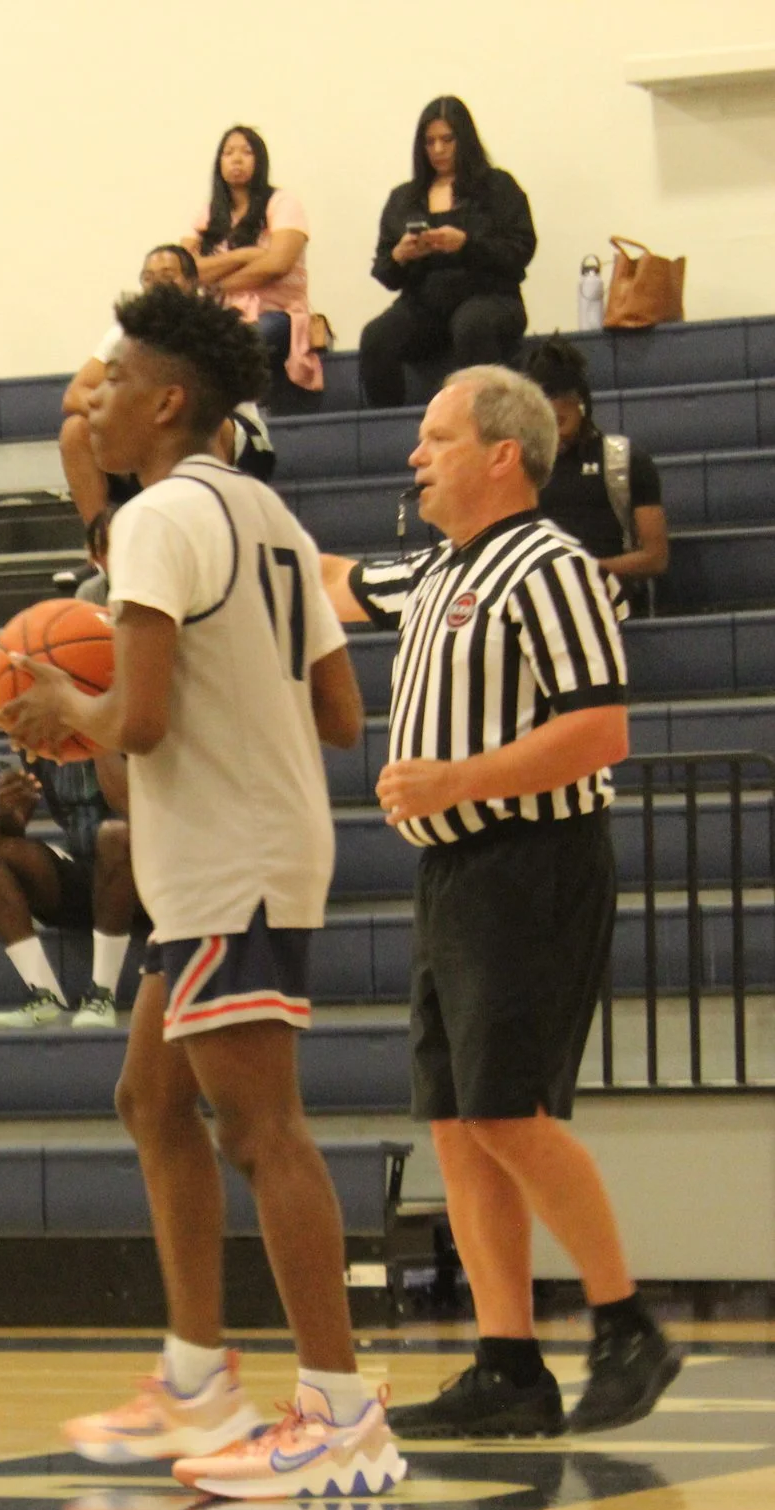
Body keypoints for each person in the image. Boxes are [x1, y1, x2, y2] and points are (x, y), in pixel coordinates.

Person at [0, 283, 399, 1502]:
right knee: (149, 1096)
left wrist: (62, 705)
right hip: (243, 853)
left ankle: (339, 1413)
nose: (94, 397)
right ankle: (195, 1377)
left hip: (228, 861)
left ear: (169, 399)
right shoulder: (271, 513)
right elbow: (340, 715)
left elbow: (145, 716)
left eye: (112, 380)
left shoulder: (159, 519)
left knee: (259, 1130)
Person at [319, 365, 683, 1439]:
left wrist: (455, 779)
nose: (412, 455)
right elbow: (334, 580)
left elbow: (600, 729)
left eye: (433, 438)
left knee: (502, 1110)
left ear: (500, 453)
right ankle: (508, 1365)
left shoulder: (552, 563)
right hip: (454, 874)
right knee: (457, 1125)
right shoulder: (434, 570)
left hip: (534, 857)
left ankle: (626, 1324)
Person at [0, 571, 144, 1031]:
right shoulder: (40, 730)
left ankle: (101, 995)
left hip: (153, 878)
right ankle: (42, 994)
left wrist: (93, 728)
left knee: (115, 834)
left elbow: (133, 809)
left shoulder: (133, 715)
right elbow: (11, 829)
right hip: (84, 874)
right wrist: (8, 813)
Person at [60, 246, 273, 560]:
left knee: (194, 421)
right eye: (148, 278)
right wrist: (129, 414)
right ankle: (102, 551)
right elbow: (75, 394)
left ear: (191, 283)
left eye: (167, 276)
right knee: (75, 430)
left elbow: (201, 402)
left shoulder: (206, 324)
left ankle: (211, 536)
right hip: (156, 425)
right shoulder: (125, 332)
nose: (156, 284)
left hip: (235, 438)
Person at [359, 97, 535, 410]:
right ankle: (388, 425)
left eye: (447, 140)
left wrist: (467, 245)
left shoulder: (497, 186)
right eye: (430, 142)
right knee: (376, 337)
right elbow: (385, 271)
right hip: (424, 304)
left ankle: (482, 419)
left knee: (471, 324)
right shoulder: (405, 198)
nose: (438, 150)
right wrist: (401, 255)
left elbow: (520, 249)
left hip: (490, 295)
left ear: (464, 140)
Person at [520, 334, 671, 612]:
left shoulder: (624, 460)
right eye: (542, 423)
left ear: (581, 405)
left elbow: (655, 557)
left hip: (609, 601)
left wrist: (582, 572)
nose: (554, 434)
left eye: (560, 421)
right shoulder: (521, 469)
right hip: (539, 603)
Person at [189, 126, 321, 400]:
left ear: (260, 160)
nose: (237, 159)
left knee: (247, 339)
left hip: (277, 312)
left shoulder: (283, 203)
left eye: (246, 152)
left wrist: (218, 283)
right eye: (228, 153)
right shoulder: (209, 214)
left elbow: (277, 264)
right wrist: (245, 255)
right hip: (224, 315)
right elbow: (188, 270)